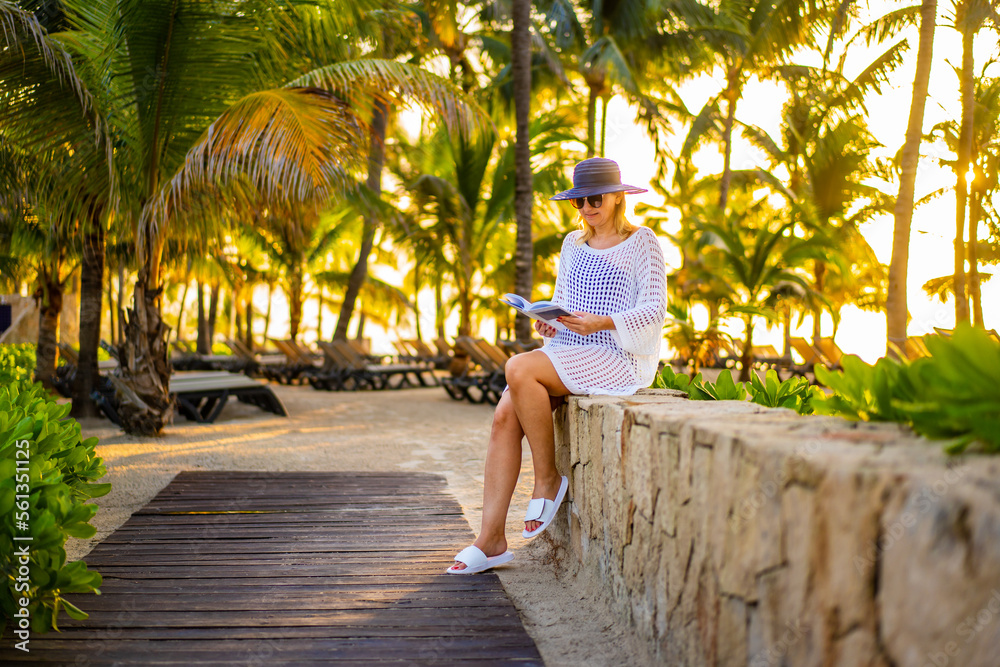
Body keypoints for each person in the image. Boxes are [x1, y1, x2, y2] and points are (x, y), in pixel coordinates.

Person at [448, 157, 667, 574]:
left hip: (616, 357)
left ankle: (547, 478)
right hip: (570, 348)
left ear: (618, 198)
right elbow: (565, 301)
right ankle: (490, 539)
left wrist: (603, 323)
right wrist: (551, 324)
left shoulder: (644, 242)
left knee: (518, 368)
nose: (586, 208)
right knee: (503, 415)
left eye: (594, 198)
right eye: (578, 201)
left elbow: (654, 309)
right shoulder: (571, 244)